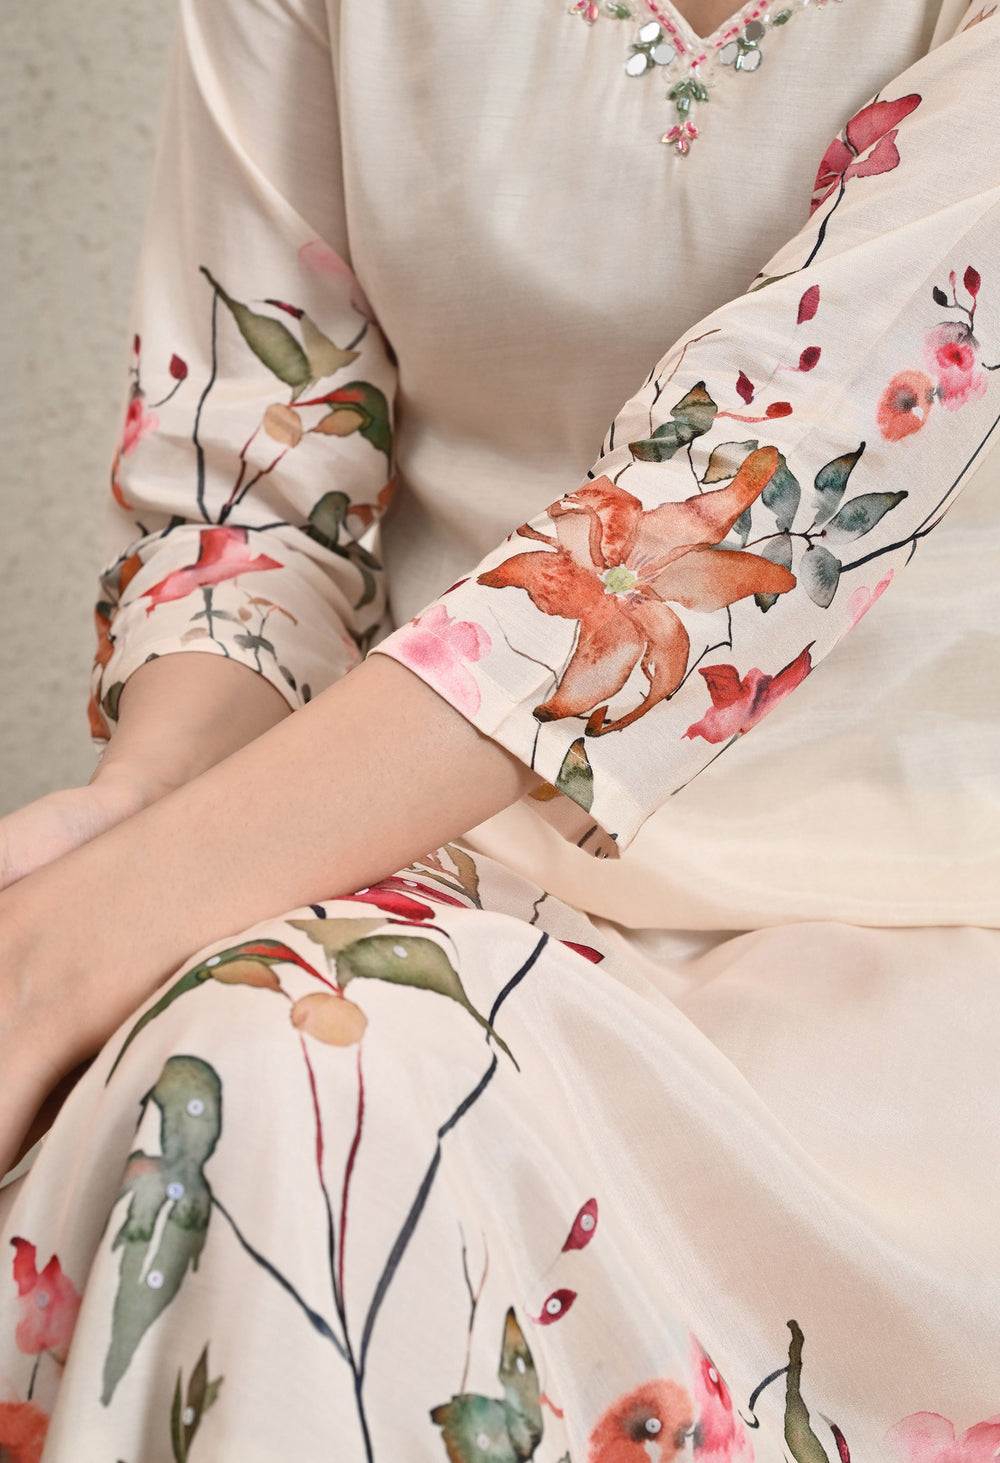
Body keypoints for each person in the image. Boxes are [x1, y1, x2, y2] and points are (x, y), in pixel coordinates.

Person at [0, 0, 998, 1455]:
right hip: (444, 883)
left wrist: (67, 950)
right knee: (276, 1071)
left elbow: (761, 481)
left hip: (933, 944)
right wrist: (140, 808)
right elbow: (256, 496)